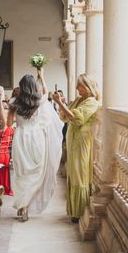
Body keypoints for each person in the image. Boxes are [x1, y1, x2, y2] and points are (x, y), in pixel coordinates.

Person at [9, 69, 63, 221]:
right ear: (34, 87)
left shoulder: (14, 103)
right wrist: (42, 76)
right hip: (37, 138)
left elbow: (7, 124)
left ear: (21, 87)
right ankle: (25, 206)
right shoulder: (40, 101)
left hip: (20, 137)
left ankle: (22, 206)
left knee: (21, 173)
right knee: (36, 174)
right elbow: (46, 91)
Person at [52, 73, 100, 223]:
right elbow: (64, 117)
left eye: (79, 85)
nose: (77, 88)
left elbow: (76, 119)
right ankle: (74, 210)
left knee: (80, 175)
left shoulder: (91, 102)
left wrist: (60, 103)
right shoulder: (79, 100)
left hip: (82, 143)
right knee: (73, 174)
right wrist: (62, 106)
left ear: (87, 87)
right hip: (73, 141)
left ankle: (79, 212)